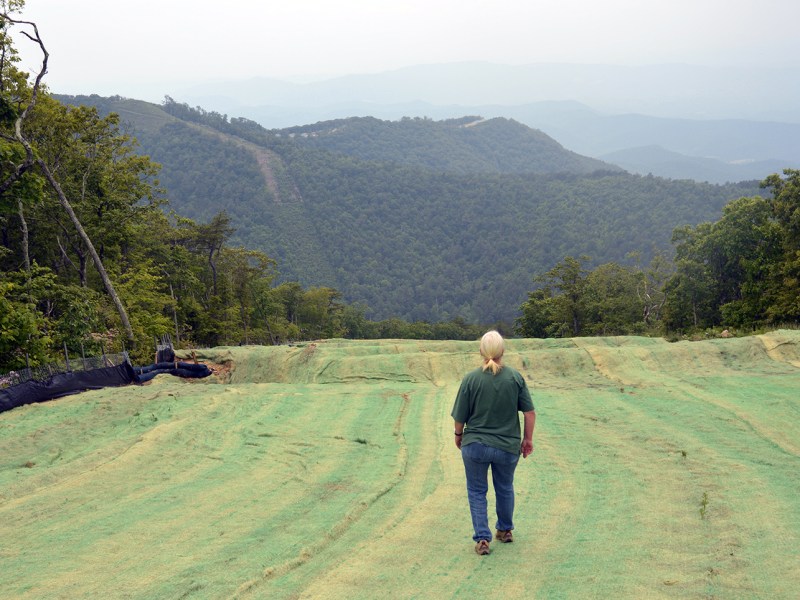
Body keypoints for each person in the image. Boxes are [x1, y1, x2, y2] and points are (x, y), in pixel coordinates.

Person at [451, 330, 536, 555]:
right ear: (502, 351)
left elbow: (460, 417)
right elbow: (529, 412)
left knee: (477, 490)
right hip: (507, 447)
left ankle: (482, 539)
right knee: (505, 487)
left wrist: (458, 436)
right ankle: (505, 530)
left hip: (475, 445)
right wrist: (527, 439)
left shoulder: (471, 379)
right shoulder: (515, 378)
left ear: (481, 351)